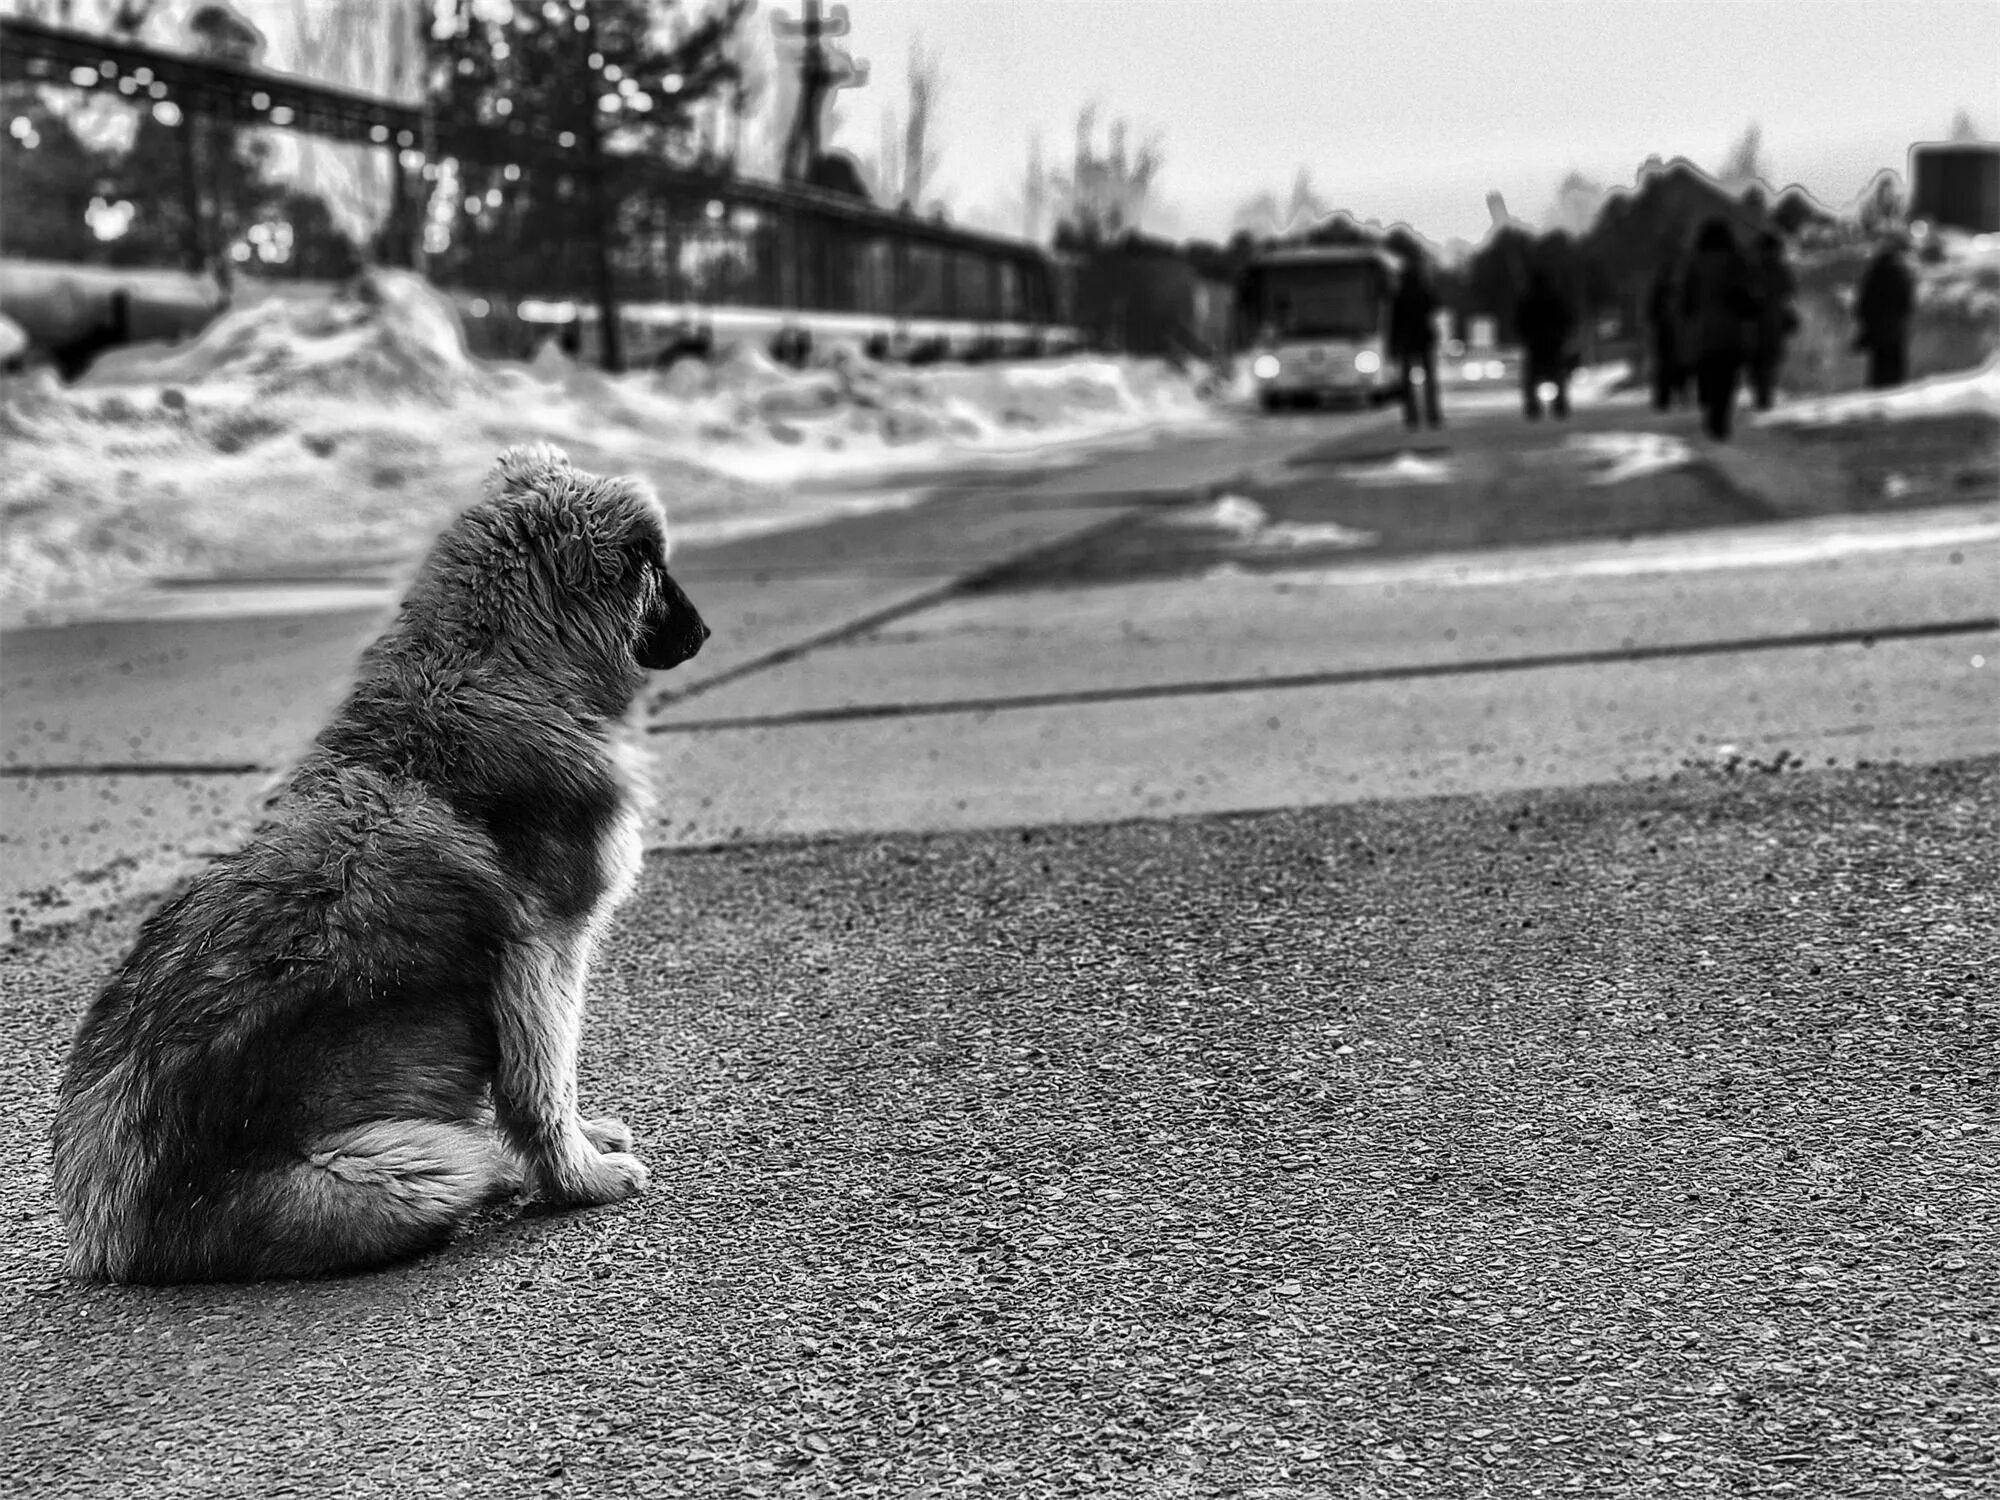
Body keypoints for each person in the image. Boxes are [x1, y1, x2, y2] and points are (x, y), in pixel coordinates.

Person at [1678, 217, 1759, 440]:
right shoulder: (1735, 260)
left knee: (1708, 373)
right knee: (1727, 376)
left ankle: (1711, 413)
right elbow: (1746, 293)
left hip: (1702, 332)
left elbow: (1686, 300)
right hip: (1730, 330)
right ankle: (1721, 418)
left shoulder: (1694, 263)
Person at [1853, 235, 1916, 390]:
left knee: (1878, 365)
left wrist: (1866, 322)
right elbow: (1906, 302)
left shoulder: (1874, 272)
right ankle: (1892, 396)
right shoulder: (1901, 272)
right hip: (1895, 327)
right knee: (1894, 367)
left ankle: (1877, 394)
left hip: (1877, 328)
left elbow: (1863, 303)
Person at [1389, 250, 1443, 429]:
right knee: (1430, 381)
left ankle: (1412, 417)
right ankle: (1433, 415)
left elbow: (1394, 323)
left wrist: (1393, 346)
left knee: (1407, 384)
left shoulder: (1399, 296)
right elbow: (1436, 305)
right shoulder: (1423, 292)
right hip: (1424, 339)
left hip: (1406, 341)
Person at [1746, 230, 1799, 412]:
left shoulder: (1753, 269)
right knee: (1769, 360)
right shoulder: (1780, 270)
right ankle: (1765, 395)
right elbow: (1789, 295)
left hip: (1755, 324)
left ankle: (1762, 396)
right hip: (1773, 322)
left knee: (1758, 362)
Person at [1515, 263, 1575, 420]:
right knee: (1558, 376)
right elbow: (1566, 319)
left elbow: (1519, 322)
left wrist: (1525, 337)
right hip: (1552, 343)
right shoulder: (1554, 298)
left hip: (1536, 345)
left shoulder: (1528, 299)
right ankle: (1559, 405)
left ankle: (1532, 407)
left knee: (1531, 378)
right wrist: (1562, 335)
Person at [1645, 255, 1688, 411]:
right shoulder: (1672, 290)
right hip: (1669, 335)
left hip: (1669, 335)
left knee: (1669, 367)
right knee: (1671, 367)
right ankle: (1672, 398)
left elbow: (1651, 314)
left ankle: (1667, 399)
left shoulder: (1667, 290)